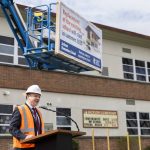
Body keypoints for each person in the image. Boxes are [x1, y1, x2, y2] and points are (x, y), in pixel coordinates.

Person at [9, 85, 45, 150]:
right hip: (22, 147)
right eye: (35, 96)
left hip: (37, 147)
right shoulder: (19, 109)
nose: (38, 98)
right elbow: (12, 129)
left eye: (39, 96)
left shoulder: (38, 112)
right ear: (28, 96)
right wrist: (25, 137)